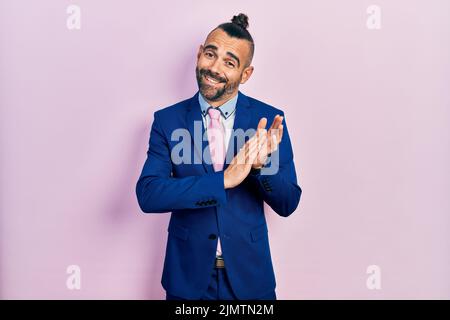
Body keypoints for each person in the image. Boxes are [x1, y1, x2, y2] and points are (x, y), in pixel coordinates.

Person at [136, 13, 302, 300]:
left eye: (229, 62)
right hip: (186, 279)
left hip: (251, 280)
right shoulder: (167, 121)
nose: (214, 68)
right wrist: (223, 180)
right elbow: (149, 194)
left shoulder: (267, 120)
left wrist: (260, 168)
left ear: (245, 74)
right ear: (199, 54)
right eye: (210, 54)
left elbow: (288, 203)